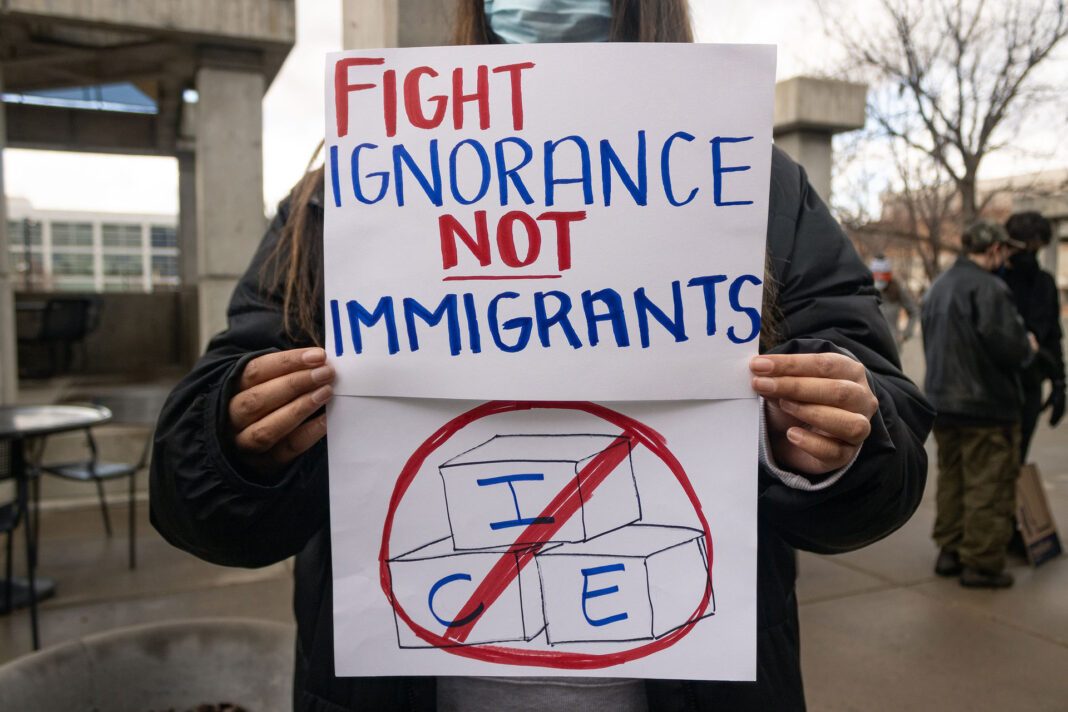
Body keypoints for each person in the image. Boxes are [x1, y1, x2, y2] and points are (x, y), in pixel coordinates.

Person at [150, 1, 933, 710]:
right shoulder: (344, 195)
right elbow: (199, 500)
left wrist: (832, 447)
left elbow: (885, 445)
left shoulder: (754, 186)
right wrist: (233, 440)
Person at [922, 220, 1034, 589]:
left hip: (942, 401)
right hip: (986, 405)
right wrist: (1029, 347)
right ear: (994, 250)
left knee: (952, 479)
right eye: (1005, 251)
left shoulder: (938, 287)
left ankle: (949, 551)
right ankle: (982, 563)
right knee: (988, 484)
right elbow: (1011, 348)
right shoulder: (990, 288)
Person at [1001, 211, 1065, 462]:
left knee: (1017, 458)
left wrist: (1060, 383)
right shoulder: (994, 282)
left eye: (1036, 249)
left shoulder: (1044, 283)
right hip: (1000, 387)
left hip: (1030, 383)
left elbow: (1053, 335)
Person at [868, 254, 919, 345]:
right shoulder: (867, 290)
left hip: (893, 343)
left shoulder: (897, 290)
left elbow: (913, 311)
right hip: (871, 343)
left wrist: (905, 334)